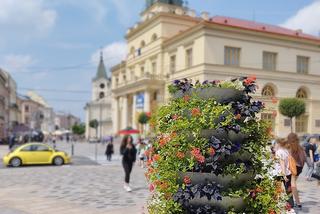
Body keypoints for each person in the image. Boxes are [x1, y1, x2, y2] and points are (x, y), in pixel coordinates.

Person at [287, 133, 306, 209]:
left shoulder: (290, 147)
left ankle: (297, 202)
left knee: (292, 184)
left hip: (292, 167)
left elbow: (288, 158)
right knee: (291, 184)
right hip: (299, 168)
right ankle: (293, 202)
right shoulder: (300, 147)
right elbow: (303, 159)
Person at [275, 138, 294, 208]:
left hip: (281, 173)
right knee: (288, 189)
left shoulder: (279, 152)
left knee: (279, 189)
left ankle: (281, 205)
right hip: (288, 172)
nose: (275, 145)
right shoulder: (286, 151)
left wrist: (284, 175)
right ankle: (291, 204)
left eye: (276, 143)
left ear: (279, 144)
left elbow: (282, 164)